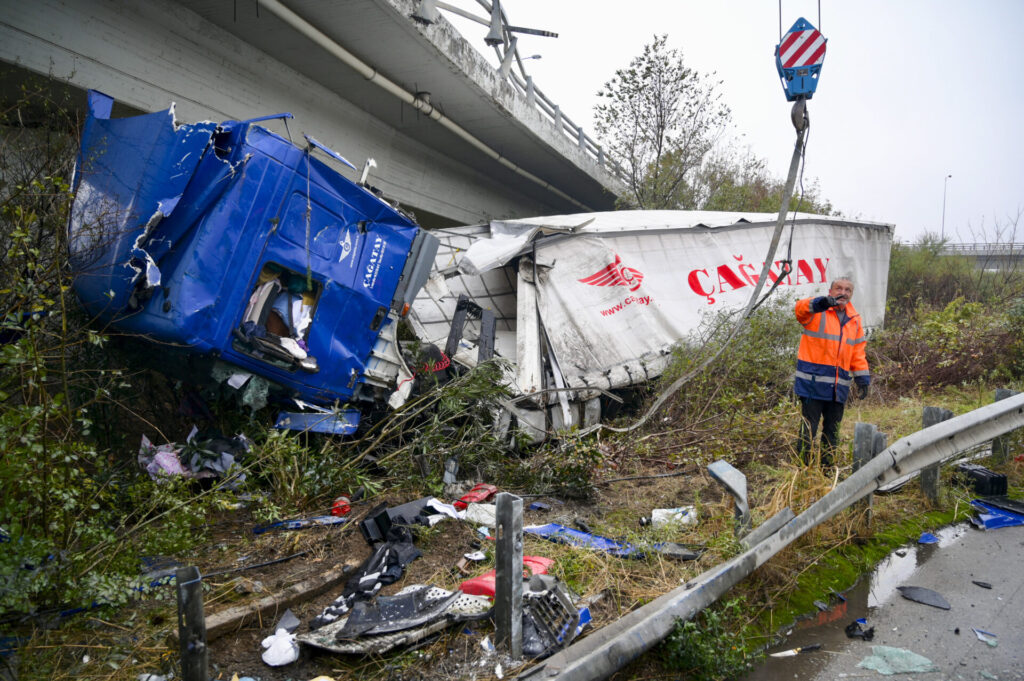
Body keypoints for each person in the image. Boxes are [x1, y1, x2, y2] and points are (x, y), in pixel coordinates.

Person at [793, 277, 870, 465]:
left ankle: (827, 471)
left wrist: (863, 378)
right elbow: (800, 309)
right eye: (838, 288)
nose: (842, 293)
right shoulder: (816, 311)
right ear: (831, 290)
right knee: (808, 430)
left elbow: (858, 352)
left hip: (838, 387)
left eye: (847, 290)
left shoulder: (854, 320)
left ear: (851, 294)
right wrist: (820, 303)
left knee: (832, 431)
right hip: (812, 384)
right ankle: (803, 470)